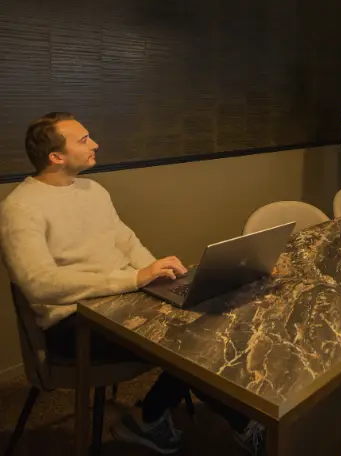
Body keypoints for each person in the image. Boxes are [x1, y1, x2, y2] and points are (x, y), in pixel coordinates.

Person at [0, 113, 264, 455]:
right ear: (56, 156)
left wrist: (157, 272)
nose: (94, 144)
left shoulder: (92, 189)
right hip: (72, 321)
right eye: (83, 140)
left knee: (213, 311)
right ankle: (235, 426)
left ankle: (149, 414)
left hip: (124, 299)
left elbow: (125, 241)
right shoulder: (20, 208)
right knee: (192, 340)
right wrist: (134, 278)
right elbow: (38, 284)